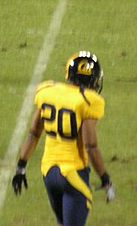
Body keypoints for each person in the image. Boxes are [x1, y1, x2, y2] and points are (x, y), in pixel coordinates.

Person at [12, 50, 115, 226]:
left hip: (48, 172)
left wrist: (21, 168)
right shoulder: (89, 100)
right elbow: (90, 146)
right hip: (73, 173)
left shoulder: (48, 91)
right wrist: (105, 178)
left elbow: (33, 134)